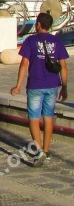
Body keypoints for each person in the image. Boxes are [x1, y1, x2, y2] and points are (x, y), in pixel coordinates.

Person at [10, 12, 68, 166]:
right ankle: (47, 151)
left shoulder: (30, 40)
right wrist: (65, 87)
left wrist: (18, 85)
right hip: (53, 84)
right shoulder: (57, 41)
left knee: (34, 118)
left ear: (39, 24)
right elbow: (63, 66)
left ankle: (39, 150)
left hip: (35, 84)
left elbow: (24, 63)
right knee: (48, 117)